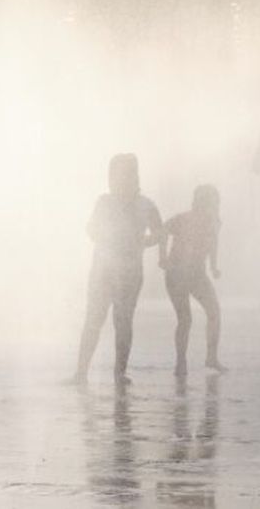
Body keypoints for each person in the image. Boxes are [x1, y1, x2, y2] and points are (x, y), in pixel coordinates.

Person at [72, 154, 164, 385]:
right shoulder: (104, 202)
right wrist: (104, 236)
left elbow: (160, 232)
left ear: (135, 176)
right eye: (116, 174)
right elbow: (91, 228)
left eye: (128, 173)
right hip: (102, 269)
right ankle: (81, 373)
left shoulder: (146, 204)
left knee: (123, 321)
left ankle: (119, 373)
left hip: (130, 273)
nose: (121, 179)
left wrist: (142, 242)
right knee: (94, 318)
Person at [161, 185, 225, 376]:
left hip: (197, 274)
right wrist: (162, 257)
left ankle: (211, 357)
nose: (212, 208)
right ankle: (181, 363)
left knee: (214, 311)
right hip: (176, 273)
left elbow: (213, 243)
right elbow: (163, 230)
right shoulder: (184, 219)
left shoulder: (215, 222)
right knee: (185, 318)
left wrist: (213, 266)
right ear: (198, 203)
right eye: (209, 203)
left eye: (215, 203)